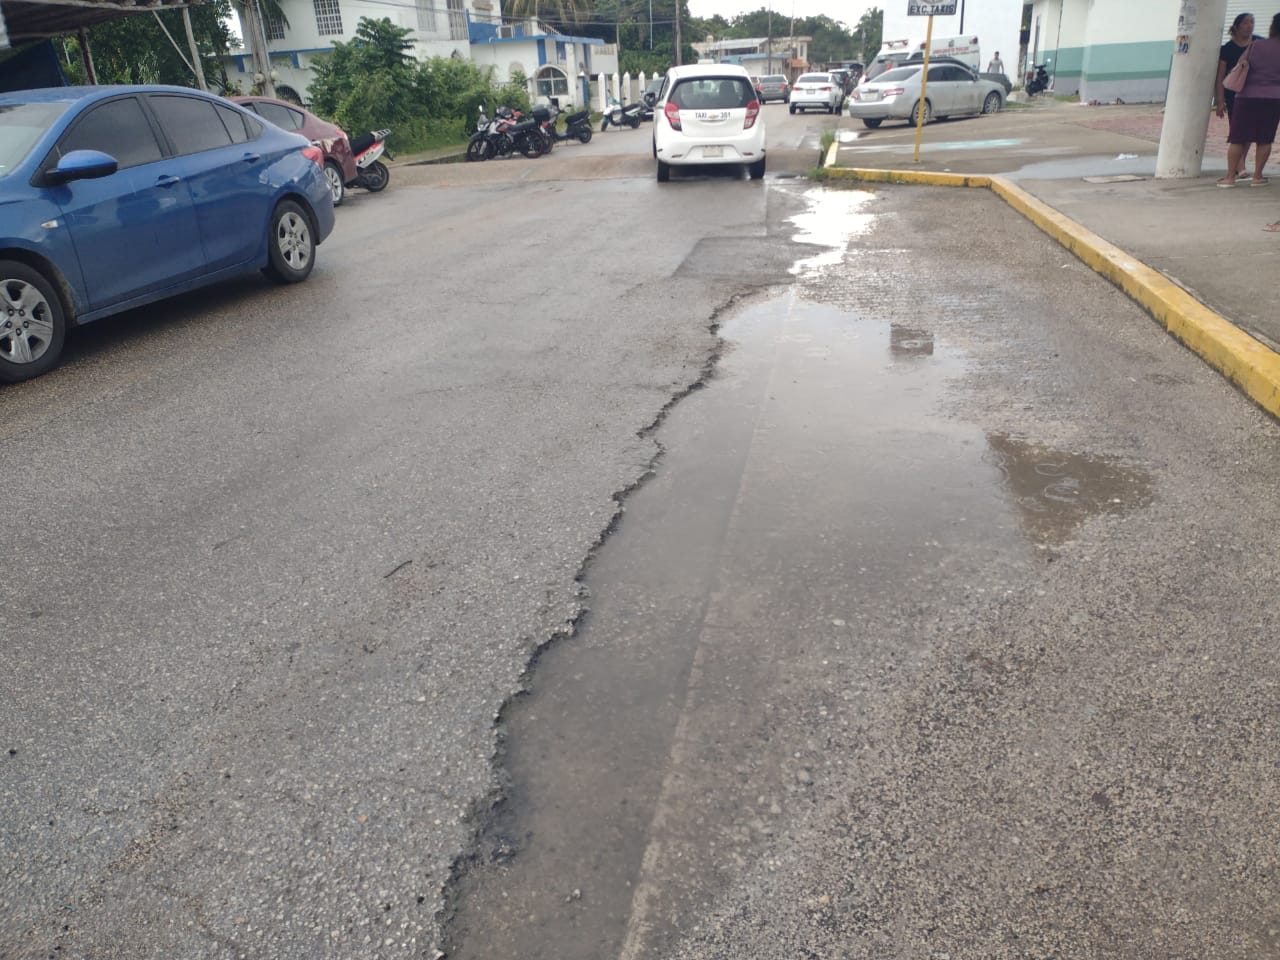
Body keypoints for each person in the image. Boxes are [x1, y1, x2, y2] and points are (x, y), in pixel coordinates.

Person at [1220, 11, 1280, 188]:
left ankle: (1230, 178)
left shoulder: (1256, 45)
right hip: (1273, 98)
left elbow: (1241, 65)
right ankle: (1257, 177)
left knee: (1237, 138)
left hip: (1245, 97)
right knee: (1264, 139)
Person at [1217, 12, 1260, 180]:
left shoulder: (1258, 43)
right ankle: (1240, 166)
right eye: (1246, 23)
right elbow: (1220, 77)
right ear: (1237, 26)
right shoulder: (1227, 49)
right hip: (1234, 95)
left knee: (1249, 131)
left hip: (1255, 92)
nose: (1250, 25)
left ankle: (1239, 163)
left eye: (1252, 22)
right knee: (1237, 130)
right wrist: (1220, 101)